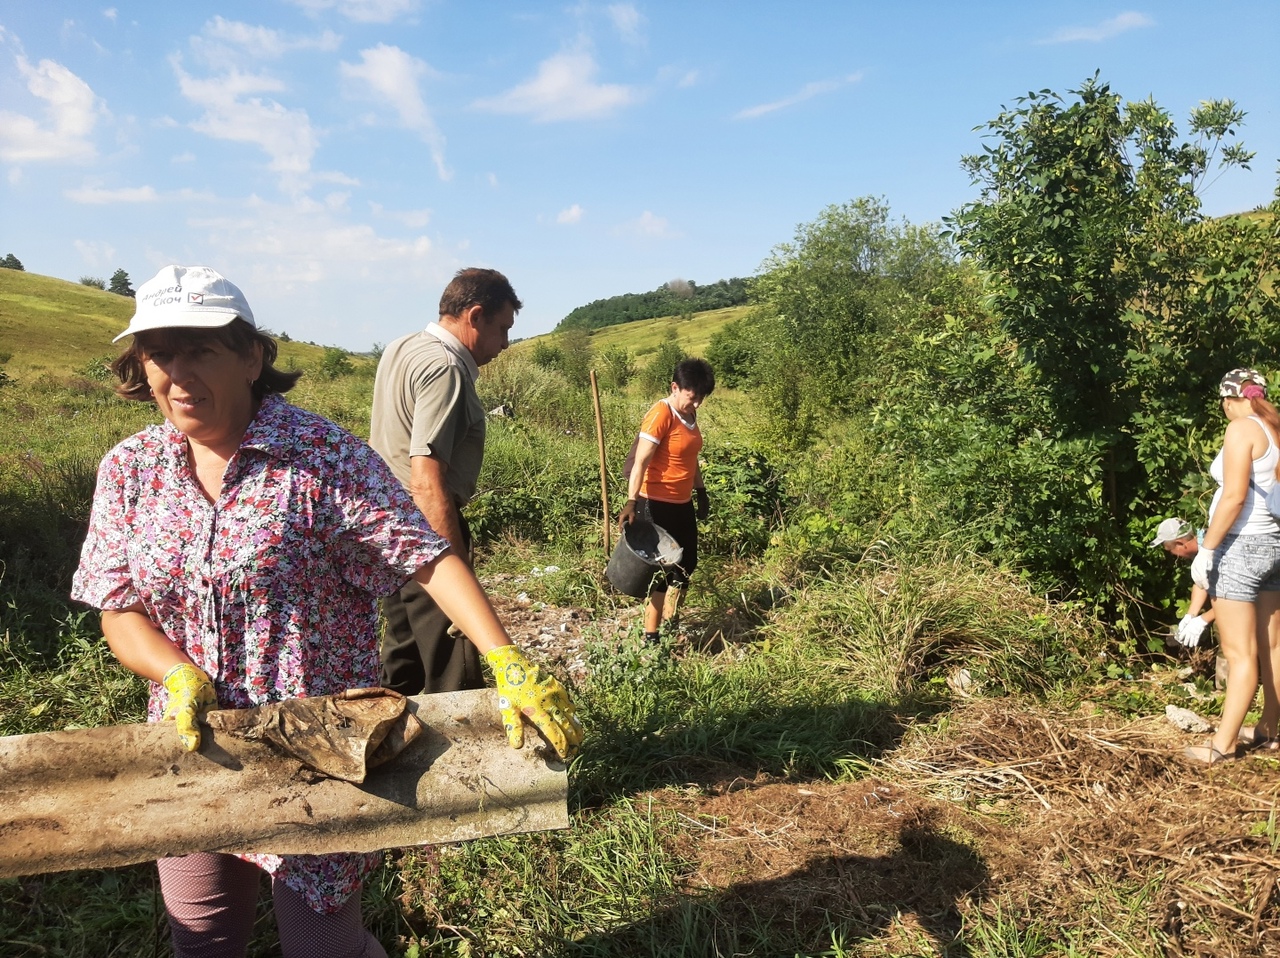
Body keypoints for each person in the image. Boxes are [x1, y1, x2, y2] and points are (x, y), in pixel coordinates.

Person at [71, 265, 582, 958]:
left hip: (322, 750)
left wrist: (506, 659)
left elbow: (425, 556)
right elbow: (119, 608)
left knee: (324, 947)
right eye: (160, 352)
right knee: (205, 942)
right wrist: (174, 674)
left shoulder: (322, 456)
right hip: (197, 747)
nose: (178, 372)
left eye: (201, 349)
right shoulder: (132, 470)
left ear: (252, 356)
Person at [370, 268, 518, 696]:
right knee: (451, 666)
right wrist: (454, 567)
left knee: (403, 657)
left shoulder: (403, 348)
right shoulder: (446, 368)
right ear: (474, 316)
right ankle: (461, 761)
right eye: (503, 328)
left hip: (386, 529)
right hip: (426, 531)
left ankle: (392, 751)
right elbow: (427, 480)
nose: (505, 344)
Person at [1184, 368, 1280, 764]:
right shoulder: (1275, 428)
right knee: (1274, 646)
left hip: (1240, 547)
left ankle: (1221, 747)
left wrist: (1207, 549)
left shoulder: (1242, 429)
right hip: (1274, 544)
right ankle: (1271, 730)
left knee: (1240, 654)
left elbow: (1235, 496)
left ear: (1228, 399)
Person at [617, 359, 716, 642]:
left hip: (681, 502)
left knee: (687, 564)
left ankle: (672, 622)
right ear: (675, 387)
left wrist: (701, 490)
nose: (697, 404)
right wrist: (631, 501)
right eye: (692, 397)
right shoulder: (662, 414)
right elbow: (640, 462)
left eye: (702, 398)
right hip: (655, 502)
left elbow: (690, 458)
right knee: (661, 570)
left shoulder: (690, 417)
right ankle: (652, 635)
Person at [1149, 516, 1216, 647]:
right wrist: (1190, 615)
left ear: (1180, 543)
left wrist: (1203, 620)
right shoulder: (1201, 549)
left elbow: (1234, 598)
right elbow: (1201, 583)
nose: (1174, 556)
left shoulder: (1214, 550)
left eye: (1170, 550)